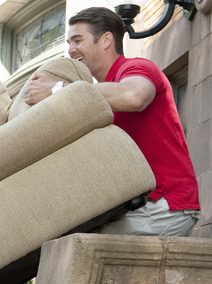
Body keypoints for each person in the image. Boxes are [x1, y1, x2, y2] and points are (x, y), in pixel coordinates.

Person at [24, 7, 200, 237]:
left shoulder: (138, 67)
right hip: (138, 207)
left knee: (75, 243)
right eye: (68, 42)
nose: (70, 50)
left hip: (165, 206)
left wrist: (58, 89)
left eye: (78, 40)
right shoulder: (98, 92)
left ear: (106, 39)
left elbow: (134, 96)